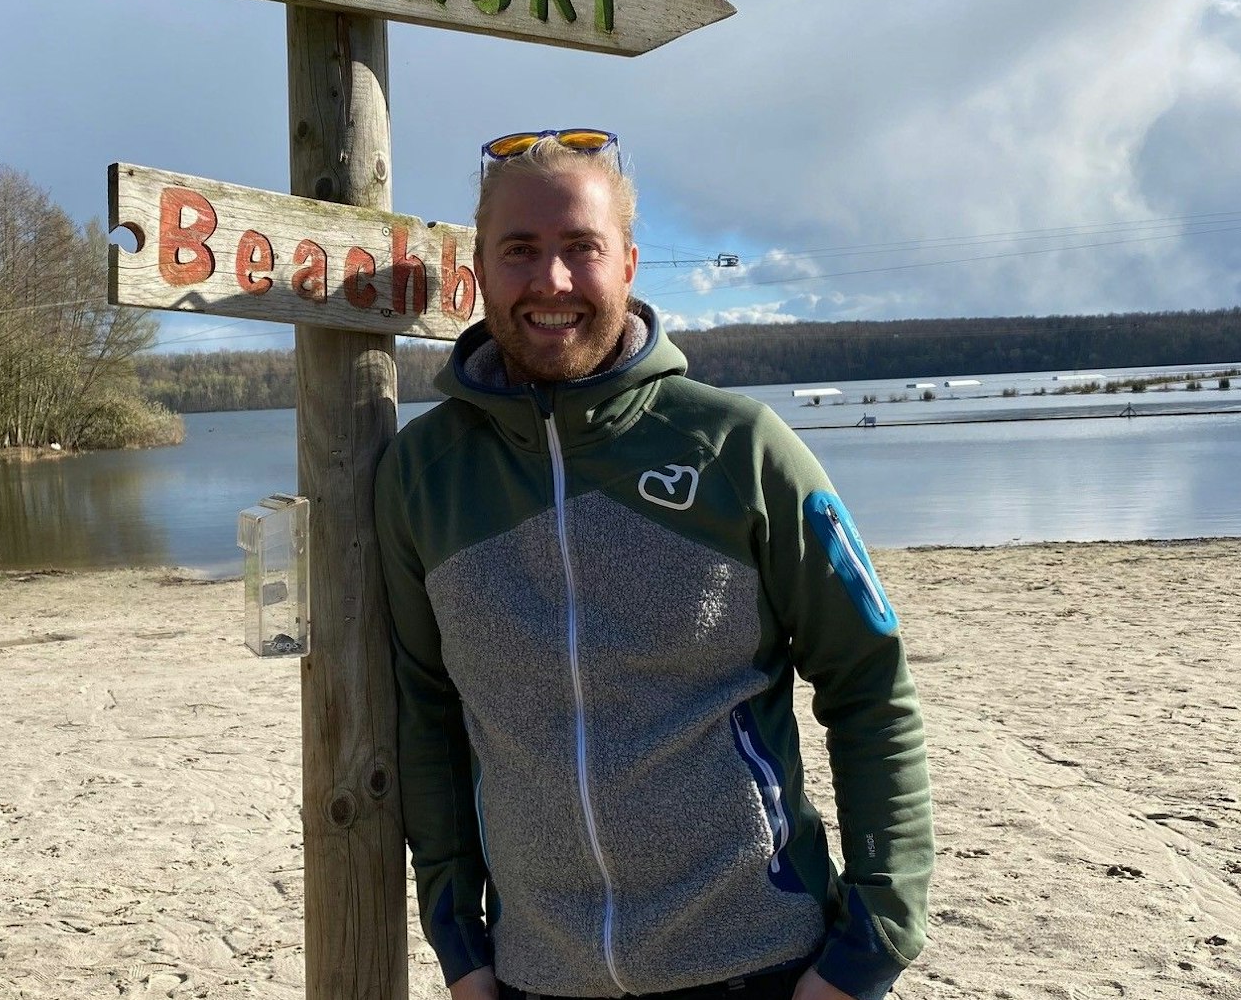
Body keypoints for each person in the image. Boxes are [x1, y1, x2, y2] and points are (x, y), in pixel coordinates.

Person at [375, 129, 932, 1000]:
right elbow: (425, 714)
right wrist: (461, 948)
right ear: (477, 270)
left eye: (580, 248)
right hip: (536, 975)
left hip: (760, 960)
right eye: (520, 251)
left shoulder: (739, 448)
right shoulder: (422, 474)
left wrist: (871, 945)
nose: (551, 281)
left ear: (628, 263)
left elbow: (870, 682)